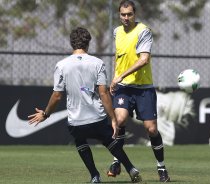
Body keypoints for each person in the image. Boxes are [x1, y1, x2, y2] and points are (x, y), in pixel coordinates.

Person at [28, 27, 142, 183]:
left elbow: (57, 95)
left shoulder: (61, 65)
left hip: (77, 121)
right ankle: (131, 168)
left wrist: (46, 114)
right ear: (88, 43)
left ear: (71, 44)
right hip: (97, 118)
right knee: (109, 141)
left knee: (80, 140)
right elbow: (103, 93)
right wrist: (113, 119)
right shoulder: (97, 63)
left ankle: (95, 176)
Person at [107, 0, 170, 182]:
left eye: (129, 14)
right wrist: (115, 77)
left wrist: (121, 76)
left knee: (151, 129)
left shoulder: (144, 31)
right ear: (119, 15)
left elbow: (144, 60)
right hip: (124, 88)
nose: (126, 18)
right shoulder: (117, 32)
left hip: (143, 88)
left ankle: (161, 167)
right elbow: (118, 57)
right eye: (123, 14)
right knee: (119, 120)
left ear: (135, 14)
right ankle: (116, 161)